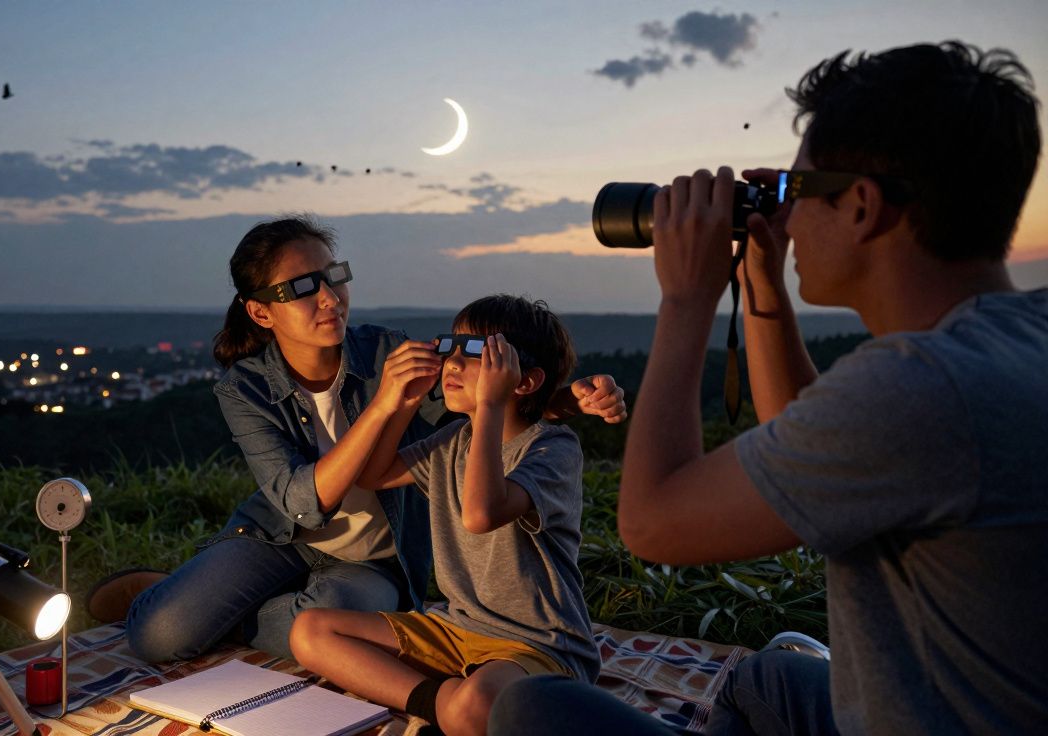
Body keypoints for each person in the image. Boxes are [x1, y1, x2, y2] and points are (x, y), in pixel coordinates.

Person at [490, 41, 1047, 734]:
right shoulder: (1012, 336)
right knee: (766, 676)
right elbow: (805, 426)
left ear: (862, 207)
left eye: (800, 190)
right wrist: (762, 278)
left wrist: (686, 299)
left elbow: (652, 524)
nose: (789, 213)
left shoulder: (920, 388)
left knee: (531, 707)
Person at [91, 217, 628, 663]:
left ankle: (217, 611)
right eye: (303, 287)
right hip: (277, 537)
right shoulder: (245, 388)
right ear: (260, 311)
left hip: (373, 559)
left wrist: (568, 399)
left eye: (333, 277)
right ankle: (178, 597)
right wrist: (385, 403)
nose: (329, 298)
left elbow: (481, 397)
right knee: (159, 637)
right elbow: (302, 503)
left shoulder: (388, 351)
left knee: (323, 628)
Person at [290, 295, 599, 736]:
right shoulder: (455, 439)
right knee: (310, 631)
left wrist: (490, 407)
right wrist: (403, 403)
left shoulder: (552, 449)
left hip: (537, 644)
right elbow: (375, 474)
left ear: (524, 381)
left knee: (476, 704)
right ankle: (436, 702)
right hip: (457, 629)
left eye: (475, 353)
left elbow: (480, 514)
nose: (452, 363)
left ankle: (456, 704)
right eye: (450, 347)